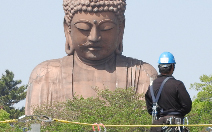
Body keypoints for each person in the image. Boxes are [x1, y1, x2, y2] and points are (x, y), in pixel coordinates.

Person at [25, 0, 157, 115]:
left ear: (121, 29)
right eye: (84, 28)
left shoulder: (142, 75)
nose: (94, 37)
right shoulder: (46, 75)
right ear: (67, 29)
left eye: (106, 28)